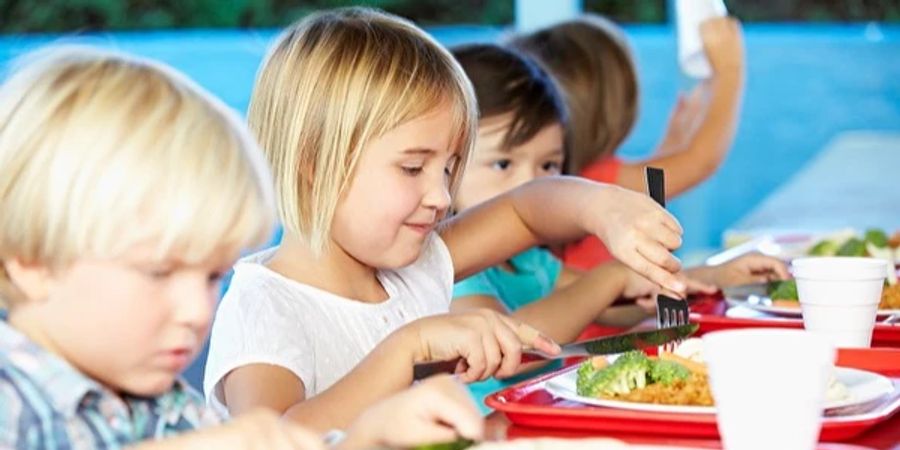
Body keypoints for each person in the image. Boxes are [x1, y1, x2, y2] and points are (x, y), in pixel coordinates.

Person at [204, 7, 685, 433]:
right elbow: (272, 438)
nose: (440, 195)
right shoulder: (264, 307)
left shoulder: (415, 266)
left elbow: (527, 210)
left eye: (450, 168)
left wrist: (603, 208)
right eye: (413, 168)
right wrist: (407, 348)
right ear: (313, 162)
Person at [0, 45, 483, 450]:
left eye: (212, 277)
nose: (197, 311)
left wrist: (368, 436)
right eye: (159, 272)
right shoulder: (12, 400)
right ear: (31, 261)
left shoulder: (165, 403)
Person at [448, 43, 788, 410]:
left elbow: (608, 305)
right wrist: (611, 277)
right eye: (503, 164)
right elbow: (516, 345)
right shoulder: (451, 270)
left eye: (548, 166)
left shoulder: (529, 260)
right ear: (446, 164)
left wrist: (709, 277)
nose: (532, 183)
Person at [510, 14, 746, 270]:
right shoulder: (594, 182)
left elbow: (651, 182)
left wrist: (674, 141)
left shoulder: (569, 179)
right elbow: (700, 162)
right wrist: (730, 71)